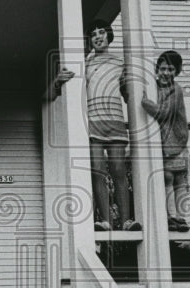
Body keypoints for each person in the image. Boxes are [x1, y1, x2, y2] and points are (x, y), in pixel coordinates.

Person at [52, 20, 141, 232]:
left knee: (119, 170)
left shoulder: (121, 63)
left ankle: (127, 220)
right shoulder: (85, 64)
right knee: (98, 171)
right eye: (93, 34)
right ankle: (106, 221)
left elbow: (128, 95)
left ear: (109, 36)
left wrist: (132, 86)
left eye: (102, 33)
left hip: (116, 122)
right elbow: (66, 88)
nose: (98, 37)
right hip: (94, 123)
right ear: (90, 41)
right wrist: (58, 81)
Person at [141, 49, 190, 232]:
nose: (166, 73)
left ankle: (181, 216)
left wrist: (146, 103)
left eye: (170, 69)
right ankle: (171, 216)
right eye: (162, 68)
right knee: (167, 177)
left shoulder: (175, 90)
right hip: (164, 142)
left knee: (179, 178)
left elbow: (163, 113)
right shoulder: (154, 87)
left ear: (176, 72)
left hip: (176, 140)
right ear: (157, 69)